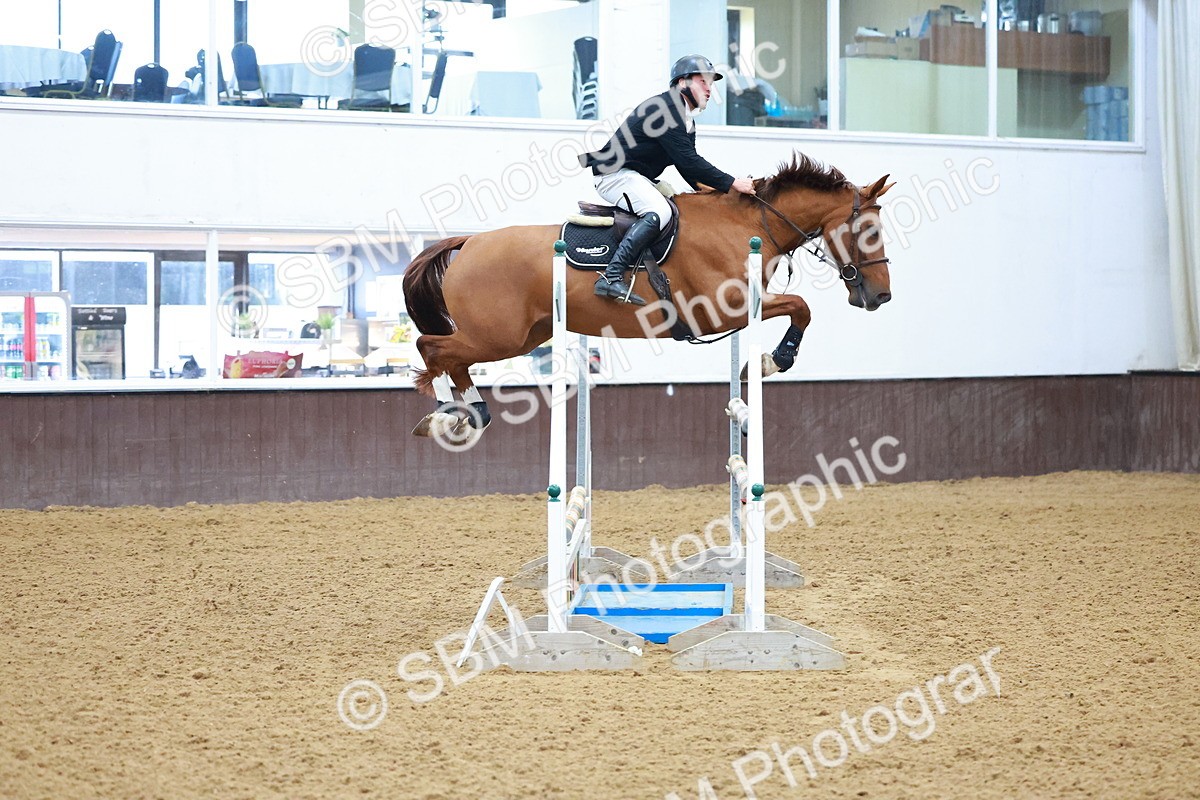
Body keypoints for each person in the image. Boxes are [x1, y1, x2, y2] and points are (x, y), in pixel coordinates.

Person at [579, 54, 757, 305]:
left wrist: (716, 192)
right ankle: (611, 276)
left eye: (711, 83)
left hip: (634, 175)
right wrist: (732, 182)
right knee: (660, 211)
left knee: (679, 203)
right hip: (613, 176)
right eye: (703, 81)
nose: (709, 88)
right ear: (682, 82)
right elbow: (689, 162)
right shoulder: (666, 109)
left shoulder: (685, 118)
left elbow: (689, 168)